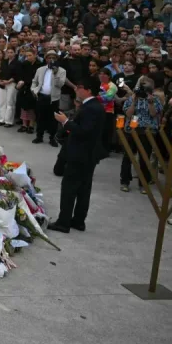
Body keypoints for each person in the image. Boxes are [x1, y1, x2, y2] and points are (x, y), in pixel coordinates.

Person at [50, 76, 106, 233]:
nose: (76, 89)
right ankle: (78, 221)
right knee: (83, 189)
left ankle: (64, 222)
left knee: (70, 188)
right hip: (87, 155)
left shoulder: (91, 108)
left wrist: (65, 122)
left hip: (81, 154)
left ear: (87, 90)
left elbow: (84, 132)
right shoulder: (93, 106)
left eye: (79, 86)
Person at [118, 76, 162, 193]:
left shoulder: (155, 99)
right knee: (128, 156)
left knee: (145, 158)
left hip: (147, 131)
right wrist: (134, 100)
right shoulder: (132, 97)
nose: (143, 87)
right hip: (132, 130)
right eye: (142, 84)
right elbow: (128, 114)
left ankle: (143, 183)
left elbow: (153, 114)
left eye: (146, 85)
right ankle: (125, 182)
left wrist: (150, 101)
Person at [31, 49, 67, 146]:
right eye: (49, 57)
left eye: (53, 58)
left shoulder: (62, 71)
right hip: (41, 96)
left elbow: (60, 85)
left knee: (53, 120)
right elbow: (34, 81)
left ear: (56, 59)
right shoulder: (40, 69)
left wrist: (55, 74)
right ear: (46, 59)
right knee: (40, 118)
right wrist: (33, 90)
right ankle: (39, 136)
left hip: (53, 99)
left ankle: (52, 138)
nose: (51, 60)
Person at [0, 47, 20, 127]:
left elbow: (17, 75)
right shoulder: (4, 62)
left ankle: (8, 121)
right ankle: (1, 120)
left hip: (11, 83)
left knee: (10, 102)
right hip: (2, 83)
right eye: (8, 52)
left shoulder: (17, 63)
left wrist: (9, 81)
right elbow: (0, 72)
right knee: (2, 102)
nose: (9, 54)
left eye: (11, 52)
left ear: (14, 53)